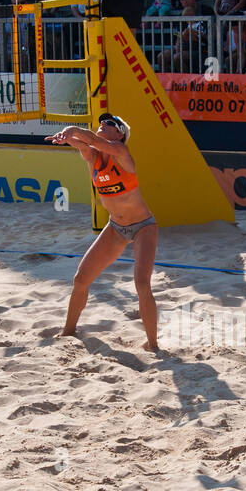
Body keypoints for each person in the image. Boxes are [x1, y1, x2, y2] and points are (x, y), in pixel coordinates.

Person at [47, 114, 160, 352]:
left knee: (141, 284)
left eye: (109, 124)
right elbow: (82, 142)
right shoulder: (93, 157)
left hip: (143, 226)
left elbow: (89, 138)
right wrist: (67, 135)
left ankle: (153, 345)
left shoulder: (120, 152)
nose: (102, 124)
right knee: (80, 279)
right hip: (116, 228)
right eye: (102, 122)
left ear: (120, 134)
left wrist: (72, 129)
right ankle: (68, 331)